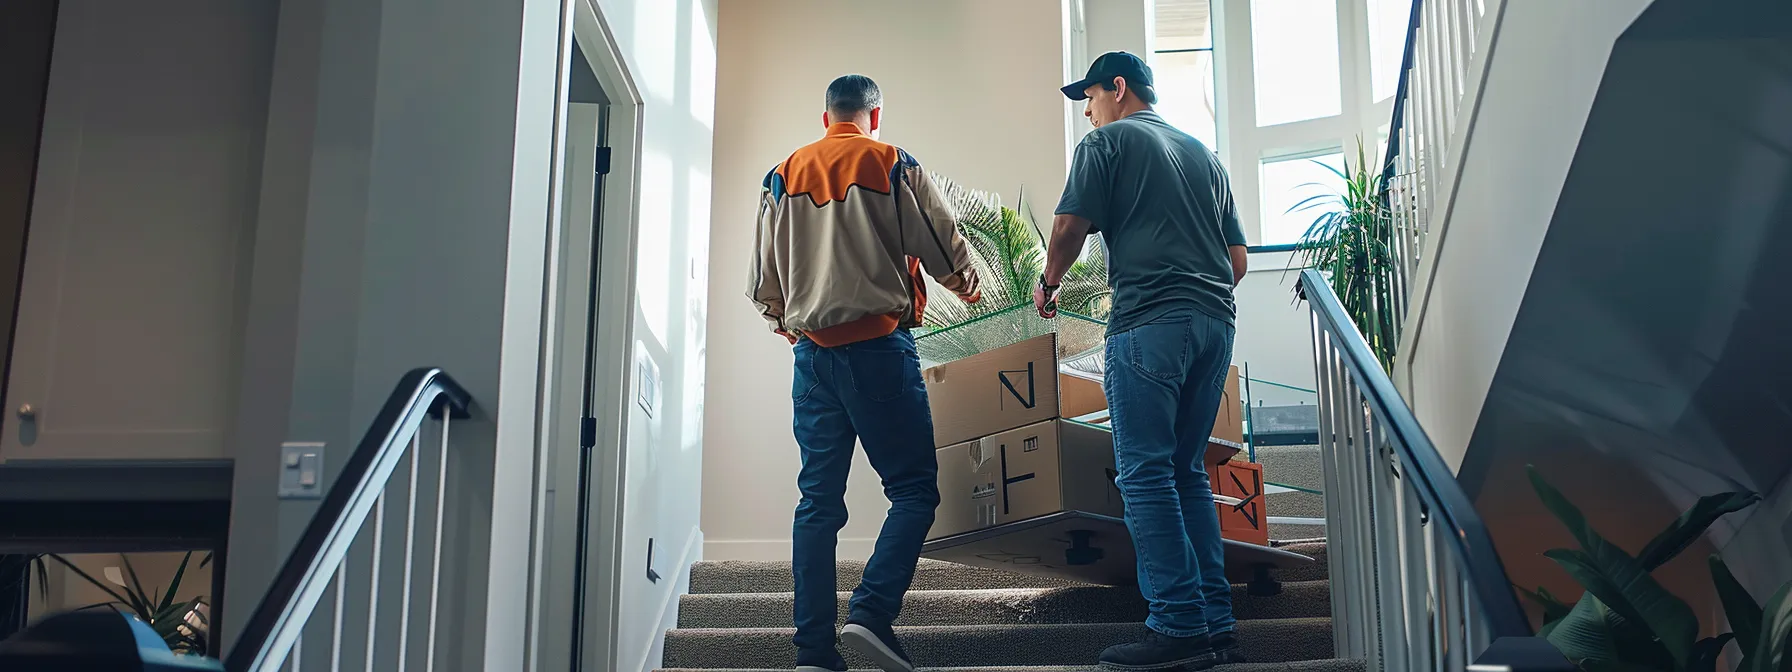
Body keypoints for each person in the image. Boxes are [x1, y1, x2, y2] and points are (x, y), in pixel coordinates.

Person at [749, 73, 981, 672]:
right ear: (874, 117)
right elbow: (939, 239)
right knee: (912, 490)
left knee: (817, 503)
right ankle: (872, 614)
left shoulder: (783, 173)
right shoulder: (890, 162)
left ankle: (813, 654)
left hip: (812, 358)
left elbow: (763, 282)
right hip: (879, 351)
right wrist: (966, 285)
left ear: (826, 116)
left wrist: (787, 321)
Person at [1035, 51, 1249, 671]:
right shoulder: (1205, 156)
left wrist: (1049, 282)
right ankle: (1215, 623)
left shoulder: (1108, 143)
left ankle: (1179, 627)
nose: (1088, 111)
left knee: (1146, 474)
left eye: (1091, 97)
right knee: (1185, 473)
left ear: (1119, 88)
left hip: (1149, 326)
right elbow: (1236, 261)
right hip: (1214, 327)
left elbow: (1070, 226)